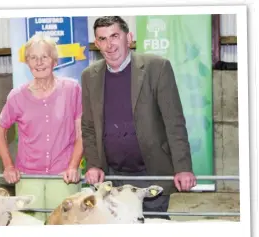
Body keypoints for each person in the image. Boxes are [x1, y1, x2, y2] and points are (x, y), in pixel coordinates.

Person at [81, 16, 197, 219]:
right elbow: (89, 126)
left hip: (151, 173)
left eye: (115, 36)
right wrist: (93, 165)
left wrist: (183, 168)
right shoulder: (89, 76)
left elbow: (174, 122)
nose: (110, 44)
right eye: (102, 39)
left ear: (129, 38)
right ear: (97, 43)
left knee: (153, 232)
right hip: (112, 177)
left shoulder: (157, 68)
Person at [0, 33, 83, 221]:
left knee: (64, 230)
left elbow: (81, 132)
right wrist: (9, 166)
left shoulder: (72, 89)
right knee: (29, 231)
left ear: (55, 61)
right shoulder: (16, 96)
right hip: (28, 178)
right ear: (27, 62)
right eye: (33, 57)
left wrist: (73, 165)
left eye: (45, 56)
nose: (39, 62)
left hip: (64, 176)